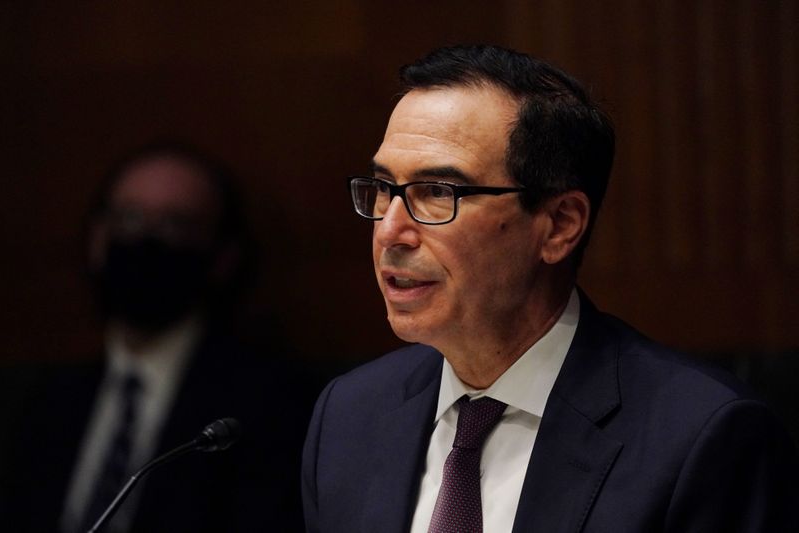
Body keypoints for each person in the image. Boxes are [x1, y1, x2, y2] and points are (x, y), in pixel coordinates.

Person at [301, 45, 799, 532]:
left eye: (438, 193)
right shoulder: (349, 415)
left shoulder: (701, 438)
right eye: (384, 188)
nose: (390, 230)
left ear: (560, 225)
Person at [0, 142, 309, 532]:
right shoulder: (46, 404)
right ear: (98, 239)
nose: (147, 239)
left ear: (223, 256)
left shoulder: (266, 405)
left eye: (175, 225)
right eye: (129, 218)